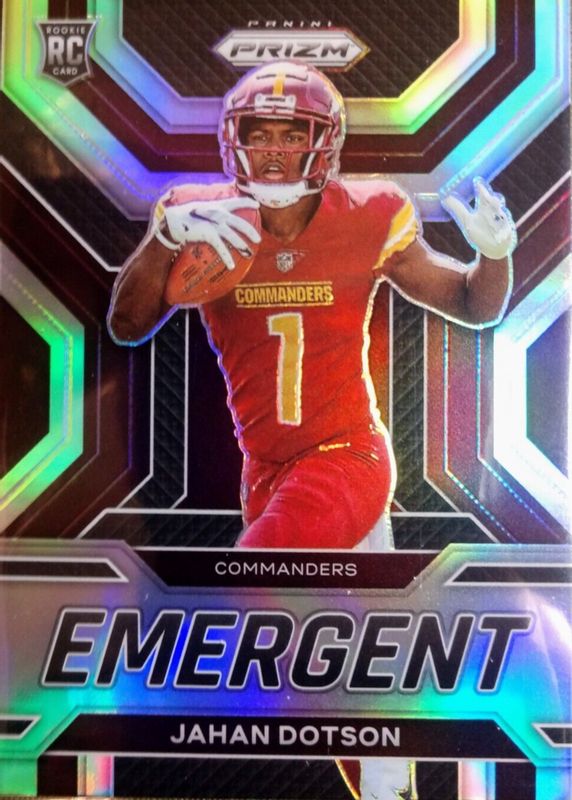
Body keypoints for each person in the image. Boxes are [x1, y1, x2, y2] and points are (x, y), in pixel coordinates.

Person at [108, 61, 516, 800]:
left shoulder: (369, 214)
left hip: (347, 455)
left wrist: (495, 257)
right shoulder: (198, 213)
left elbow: (471, 304)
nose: (271, 150)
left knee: (254, 585)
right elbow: (127, 324)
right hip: (265, 472)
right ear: (233, 140)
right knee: (353, 689)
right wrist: (162, 237)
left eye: (290, 134)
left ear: (321, 142)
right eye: (257, 133)